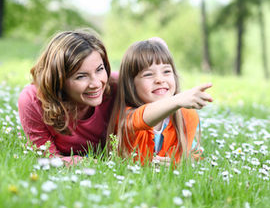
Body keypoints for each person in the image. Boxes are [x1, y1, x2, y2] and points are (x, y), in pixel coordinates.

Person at [107, 37, 213, 165]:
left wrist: (176, 165)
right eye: (148, 74)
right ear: (131, 84)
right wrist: (177, 100)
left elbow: (187, 160)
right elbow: (142, 117)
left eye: (167, 71)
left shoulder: (187, 117)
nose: (159, 79)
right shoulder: (126, 117)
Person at [18, 28, 117, 165]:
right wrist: (82, 162)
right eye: (81, 76)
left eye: (100, 69)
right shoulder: (33, 100)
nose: (96, 84)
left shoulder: (116, 86)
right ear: (59, 80)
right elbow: (47, 158)